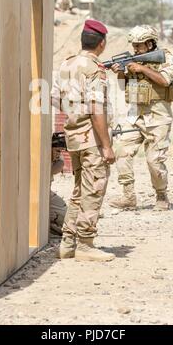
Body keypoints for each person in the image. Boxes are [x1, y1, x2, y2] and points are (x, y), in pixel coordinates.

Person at [53, 19, 116, 262]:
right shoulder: (94, 69)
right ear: (102, 43)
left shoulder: (66, 64)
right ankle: (86, 245)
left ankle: (68, 244)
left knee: (79, 190)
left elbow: (55, 99)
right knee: (94, 190)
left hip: (74, 137)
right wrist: (107, 145)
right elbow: (96, 108)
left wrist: (74, 111)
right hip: (92, 139)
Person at [109, 25, 173, 211]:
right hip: (136, 116)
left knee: (154, 160)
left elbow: (164, 80)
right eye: (134, 45)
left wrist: (141, 67)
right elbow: (125, 86)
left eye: (139, 45)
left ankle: (161, 195)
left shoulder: (165, 57)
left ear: (150, 43)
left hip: (158, 117)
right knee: (122, 152)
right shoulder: (133, 60)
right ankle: (128, 197)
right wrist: (122, 72)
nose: (136, 48)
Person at [50, 148, 66, 236]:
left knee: (64, 216)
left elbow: (58, 166)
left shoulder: (48, 145)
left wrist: (52, 158)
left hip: (45, 193)